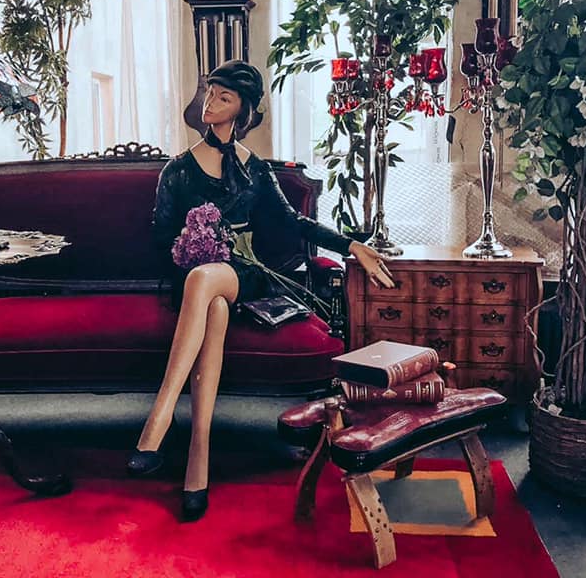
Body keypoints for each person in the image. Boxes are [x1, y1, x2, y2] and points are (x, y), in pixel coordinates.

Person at [126, 60, 396, 521]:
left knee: (209, 281)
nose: (210, 102)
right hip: (196, 282)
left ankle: (160, 417)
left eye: (223, 96)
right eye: (210, 92)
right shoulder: (177, 170)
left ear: (242, 110)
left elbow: (294, 222)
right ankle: (197, 464)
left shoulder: (255, 170)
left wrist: (352, 245)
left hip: (244, 274)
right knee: (210, 302)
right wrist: (191, 245)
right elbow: (159, 238)